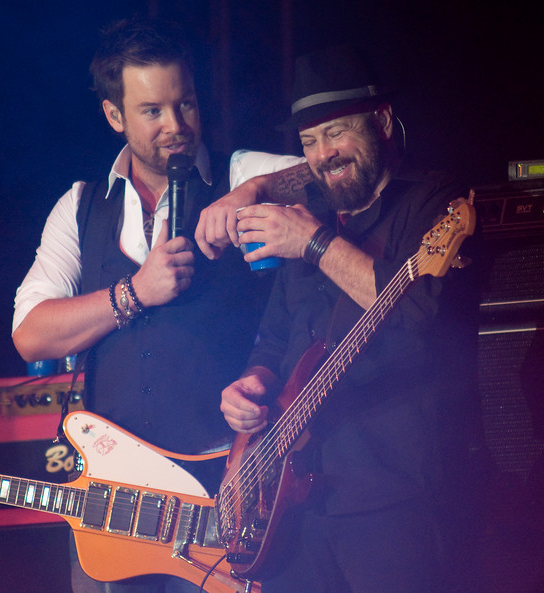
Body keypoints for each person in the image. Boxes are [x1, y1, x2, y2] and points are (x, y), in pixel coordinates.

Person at [200, 44, 481, 593]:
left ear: (382, 122)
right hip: (292, 509)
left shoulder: (433, 201)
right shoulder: (311, 212)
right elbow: (274, 339)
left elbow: (419, 311)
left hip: (392, 497)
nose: (323, 154)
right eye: (309, 141)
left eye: (336, 133)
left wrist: (314, 243)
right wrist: (252, 382)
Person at [12, 17, 268, 593]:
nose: (176, 126)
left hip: (221, 493)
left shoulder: (238, 172)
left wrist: (253, 191)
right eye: (152, 111)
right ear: (114, 115)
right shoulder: (81, 206)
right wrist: (134, 293)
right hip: (118, 503)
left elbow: (324, 172)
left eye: (186, 104)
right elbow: (30, 333)